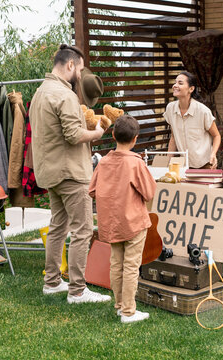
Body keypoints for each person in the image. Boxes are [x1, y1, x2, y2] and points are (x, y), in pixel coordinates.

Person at [30, 44, 110, 304]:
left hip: (50, 172)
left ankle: (52, 282)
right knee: (83, 230)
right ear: (70, 65)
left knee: (58, 227)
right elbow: (74, 135)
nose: (81, 74)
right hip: (71, 174)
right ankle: (77, 290)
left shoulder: (40, 92)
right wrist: (97, 133)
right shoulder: (64, 95)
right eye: (81, 68)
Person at [89, 114, 157, 323]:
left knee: (116, 263)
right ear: (135, 138)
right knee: (130, 266)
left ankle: (119, 305)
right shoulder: (136, 164)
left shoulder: (104, 162)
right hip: (134, 222)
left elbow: (92, 190)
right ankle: (128, 311)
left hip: (111, 223)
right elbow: (149, 192)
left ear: (113, 135)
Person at [164, 71, 221, 169]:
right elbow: (173, 137)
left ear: (191, 89)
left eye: (180, 83)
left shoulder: (202, 111)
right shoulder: (170, 108)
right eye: (175, 82)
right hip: (184, 165)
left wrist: (213, 154)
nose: (175, 85)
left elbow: (216, 135)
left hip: (206, 164)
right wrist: (167, 162)